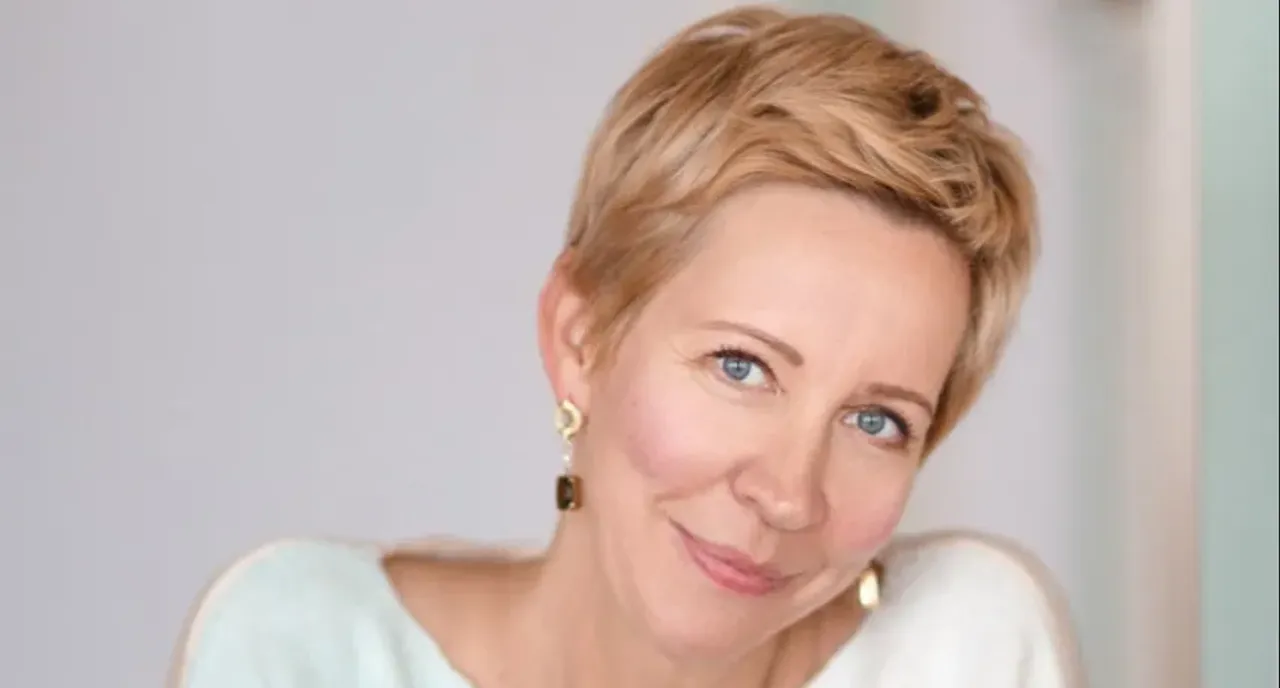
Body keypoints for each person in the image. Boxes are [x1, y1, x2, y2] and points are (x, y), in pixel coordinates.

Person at [169, 6, 1085, 687]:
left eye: (877, 420)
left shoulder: (962, 650)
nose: (787, 494)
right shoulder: (308, 649)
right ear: (581, 339)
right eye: (741, 366)